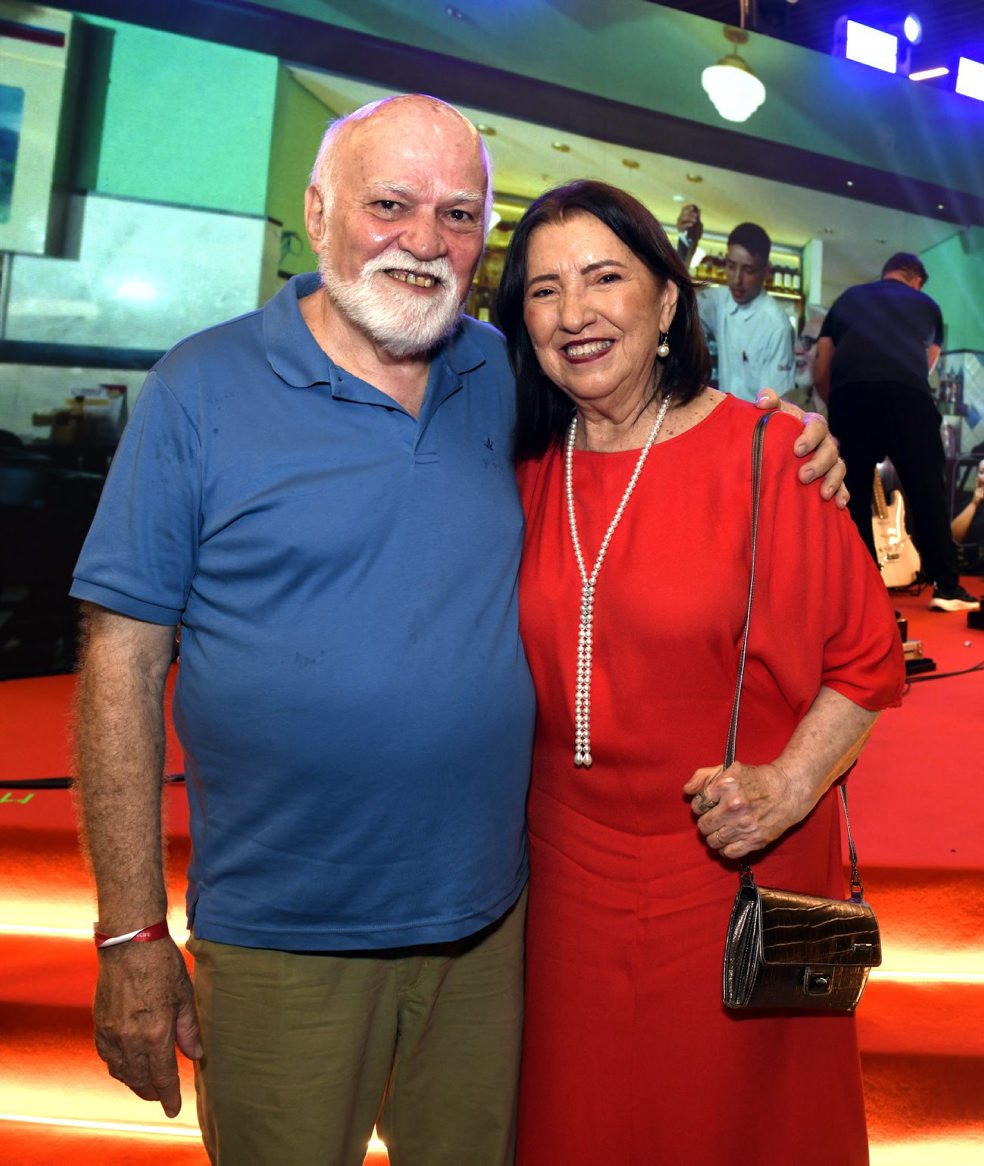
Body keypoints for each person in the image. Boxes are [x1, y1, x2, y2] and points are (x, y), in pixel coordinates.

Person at [70, 97, 845, 1166]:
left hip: (492, 931)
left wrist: (794, 439)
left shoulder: (505, 379)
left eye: (458, 214)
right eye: (390, 205)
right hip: (287, 933)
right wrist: (130, 932)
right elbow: (120, 658)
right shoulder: (200, 388)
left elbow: (648, 433)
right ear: (319, 211)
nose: (425, 241)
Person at [494, 180, 904, 1166]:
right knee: (579, 1124)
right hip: (563, 885)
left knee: (732, 1130)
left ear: (670, 300)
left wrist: (790, 785)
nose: (575, 312)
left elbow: (866, 658)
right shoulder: (519, 467)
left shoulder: (772, 456)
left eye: (604, 277)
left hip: (736, 870)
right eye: (545, 290)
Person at [815, 252, 981, 613]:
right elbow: (926, 364)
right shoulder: (927, 305)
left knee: (852, 493)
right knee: (928, 490)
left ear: (886, 272)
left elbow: (822, 361)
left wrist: (839, 406)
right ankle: (947, 587)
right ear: (916, 280)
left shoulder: (847, 298)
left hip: (851, 395)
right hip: (908, 396)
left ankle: (864, 596)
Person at [676, 203, 795, 401]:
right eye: (731, 266)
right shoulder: (721, 300)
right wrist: (687, 243)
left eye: (748, 270)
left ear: (766, 271)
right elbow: (677, 299)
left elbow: (776, 403)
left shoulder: (777, 326)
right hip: (726, 412)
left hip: (756, 418)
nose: (737, 279)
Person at [783, 303, 828, 417]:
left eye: (807, 342)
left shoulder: (854, 410)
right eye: (800, 340)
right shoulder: (788, 402)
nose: (797, 350)